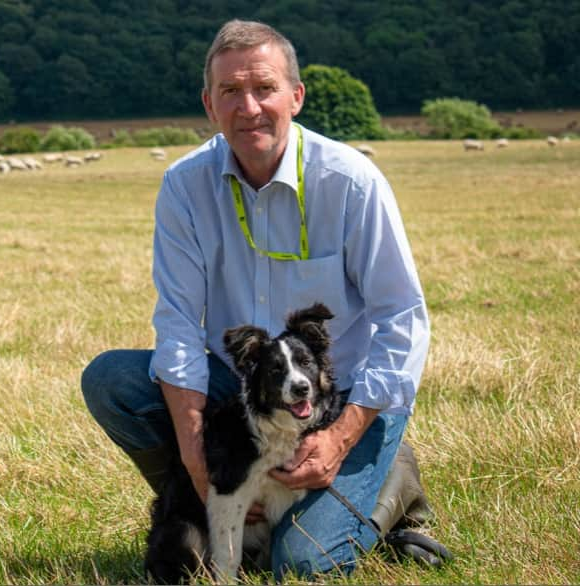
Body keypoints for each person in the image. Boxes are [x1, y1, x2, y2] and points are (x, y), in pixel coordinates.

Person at [81, 19, 430, 579]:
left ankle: (393, 481)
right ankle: (227, 503)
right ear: (208, 105)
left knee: (301, 567)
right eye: (230, 92)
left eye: (264, 88)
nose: (248, 107)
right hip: (245, 393)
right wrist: (199, 461)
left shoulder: (351, 181)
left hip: (341, 400)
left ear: (295, 96)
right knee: (112, 382)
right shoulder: (183, 186)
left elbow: (402, 319)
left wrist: (341, 436)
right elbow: (177, 326)